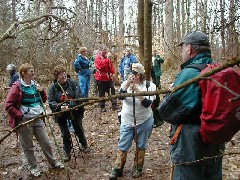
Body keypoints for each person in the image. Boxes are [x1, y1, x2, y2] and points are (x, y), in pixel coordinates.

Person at [157, 31, 225, 180]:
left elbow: (167, 112)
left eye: (183, 48)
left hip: (191, 147)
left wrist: (169, 94)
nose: (182, 52)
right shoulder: (217, 69)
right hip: (216, 143)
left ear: (189, 49)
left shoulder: (190, 74)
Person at [4, 63, 64, 177]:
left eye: (33, 70)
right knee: (28, 146)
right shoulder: (17, 87)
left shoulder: (35, 84)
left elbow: (44, 99)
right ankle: (33, 167)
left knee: (46, 142)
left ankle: (54, 162)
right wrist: (20, 116)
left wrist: (41, 91)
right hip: (24, 121)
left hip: (38, 118)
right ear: (23, 73)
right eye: (31, 71)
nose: (33, 73)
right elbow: (8, 105)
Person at [109, 63, 156, 179]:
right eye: (130, 74)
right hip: (127, 120)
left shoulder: (150, 86)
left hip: (144, 120)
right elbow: (120, 97)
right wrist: (126, 86)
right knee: (123, 144)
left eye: (133, 74)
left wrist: (137, 91)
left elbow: (147, 104)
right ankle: (118, 168)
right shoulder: (126, 84)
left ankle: (138, 168)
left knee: (141, 144)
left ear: (139, 75)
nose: (131, 76)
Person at [48, 65, 90, 162]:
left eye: (64, 73)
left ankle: (84, 144)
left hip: (75, 111)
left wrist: (71, 106)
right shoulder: (53, 88)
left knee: (78, 128)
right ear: (56, 77)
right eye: (60, 75)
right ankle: (67, 151)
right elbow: (51, 101)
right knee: (65, 133)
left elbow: (79, 96)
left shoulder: (73, 83)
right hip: (61, 114)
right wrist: (60, 107)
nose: (63, 76)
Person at [94, 44, 117, 112]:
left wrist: (113, 73)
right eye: (104, 50)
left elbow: (111, 66)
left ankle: (114, 104)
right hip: (101, 78)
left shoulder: (107, 57)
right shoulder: (98, 57)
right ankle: (102, 106)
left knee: (113, 89)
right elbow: (100, 66)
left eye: (106, 50)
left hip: (108, 77)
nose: (105, 51)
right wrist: (107, 59)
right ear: (100, 50)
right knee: (102, 92)